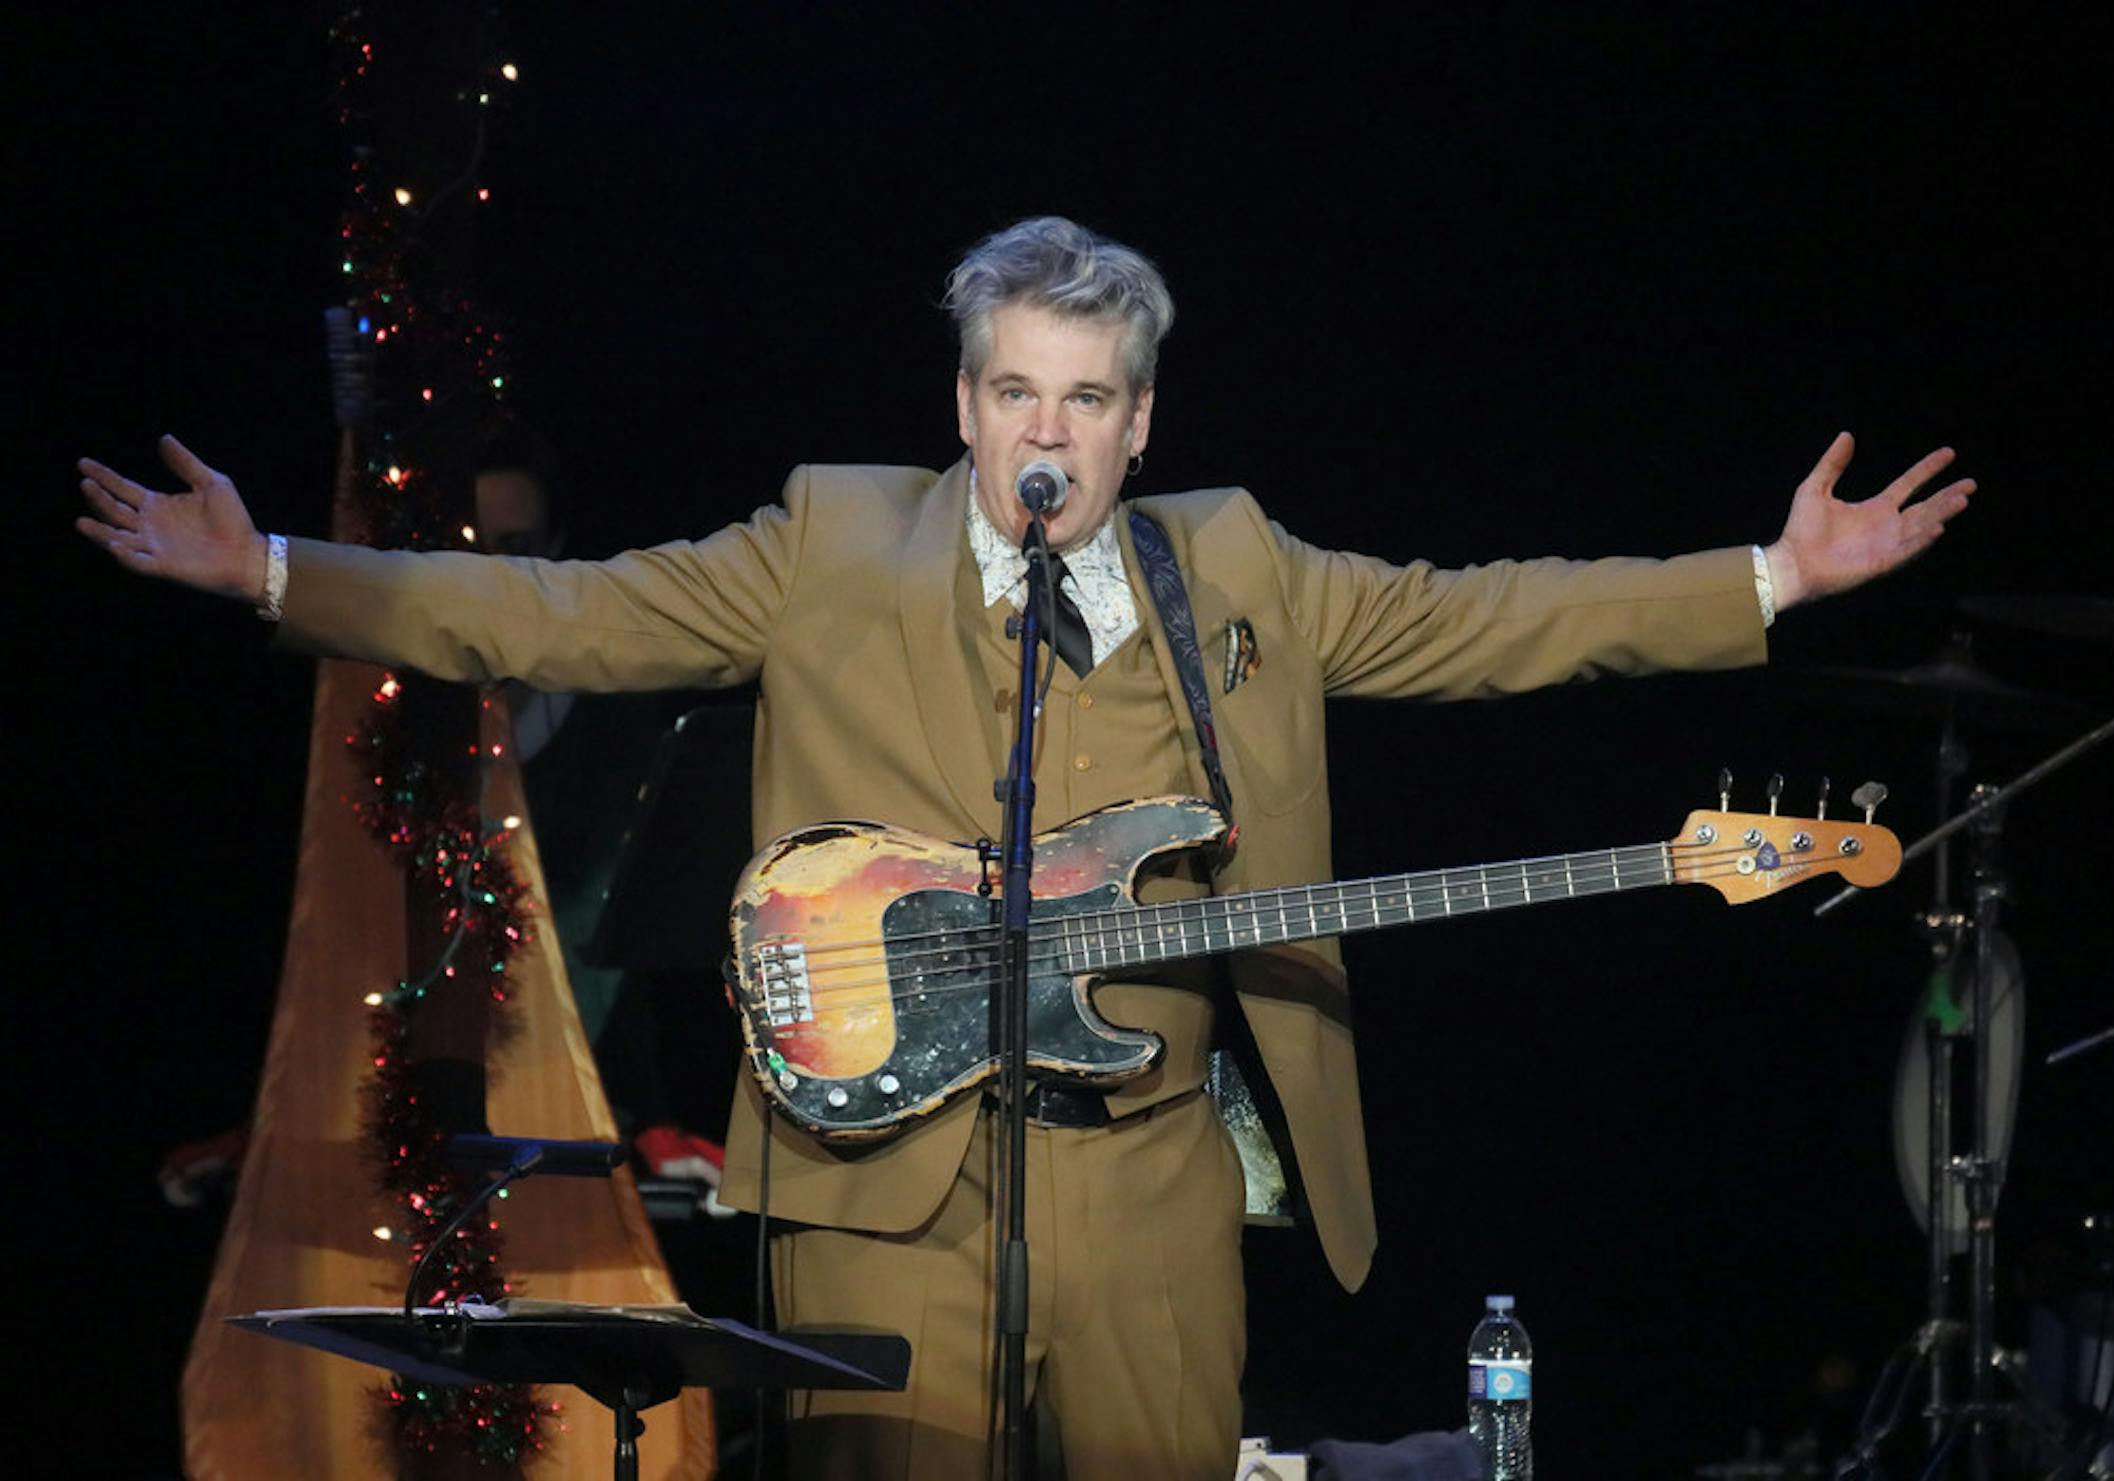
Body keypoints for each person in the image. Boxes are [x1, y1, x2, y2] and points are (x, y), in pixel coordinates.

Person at [77, 216, 1971, 1479]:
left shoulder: (1238, 567)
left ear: (1139, 420)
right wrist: (271, 572)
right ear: (963, 406)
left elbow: (1487, 620)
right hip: (879, 1177)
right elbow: (566, 616)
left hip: (1148, 1187)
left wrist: (1770, 578)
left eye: (1082, 397)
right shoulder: (830, 541)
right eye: (1010, 392)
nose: (1040, 432)